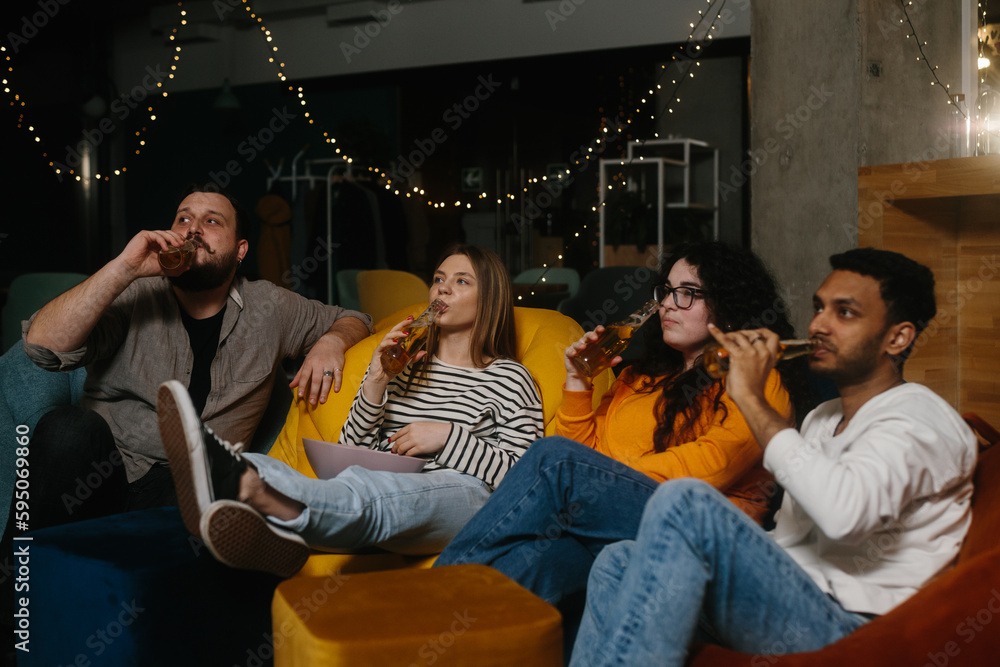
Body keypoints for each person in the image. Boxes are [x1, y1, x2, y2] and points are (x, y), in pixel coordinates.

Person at [568, 248, 977, 666]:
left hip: (854, 627)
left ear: (898, 337)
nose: (818, 325)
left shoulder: (919, 418)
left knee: (686, 501)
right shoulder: (823, 416)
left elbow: (843, 515)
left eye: (846, 313)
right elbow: (788, 540)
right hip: (786, 596)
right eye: (819, 308)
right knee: (619, 560)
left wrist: (748, 395)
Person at [436, 242, 814, 622]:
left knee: (553, 458)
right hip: (616, 519)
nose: (667, 303)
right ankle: (434, 636)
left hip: (705, 530)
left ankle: (423, 596)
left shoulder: (756, 382)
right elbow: (583, 450)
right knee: (534, 564)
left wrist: (602, 479)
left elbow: (708, 469)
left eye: (687, 294)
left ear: (729, 306)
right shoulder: (638, 378)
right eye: (666, 291)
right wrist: (578, 382)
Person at [157, 244, 544, 577]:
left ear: (489, 297)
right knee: (300, 469)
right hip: (385, 489)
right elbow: (355, 448)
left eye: (462, 281)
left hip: (466, 497)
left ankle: (266, 501)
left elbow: (527, 481)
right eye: (439, 278)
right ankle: (233, 474)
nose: (443, 286)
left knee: (377, 489)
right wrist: (376, 379)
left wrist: (446, 437)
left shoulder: (510, 377)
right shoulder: (407, 367)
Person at [22, 182, 373, 529]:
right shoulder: (134, 293)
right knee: (66, 427)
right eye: (183, 219)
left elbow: (356, 319)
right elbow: (43, 347)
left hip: (188, 488)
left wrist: (330, 343)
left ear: (240, 250)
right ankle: (17, 575)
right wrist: (124, 269)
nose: (193, 229)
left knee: (210, 484)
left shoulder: (271, 306)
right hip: (104, 475)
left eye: (212, 222)